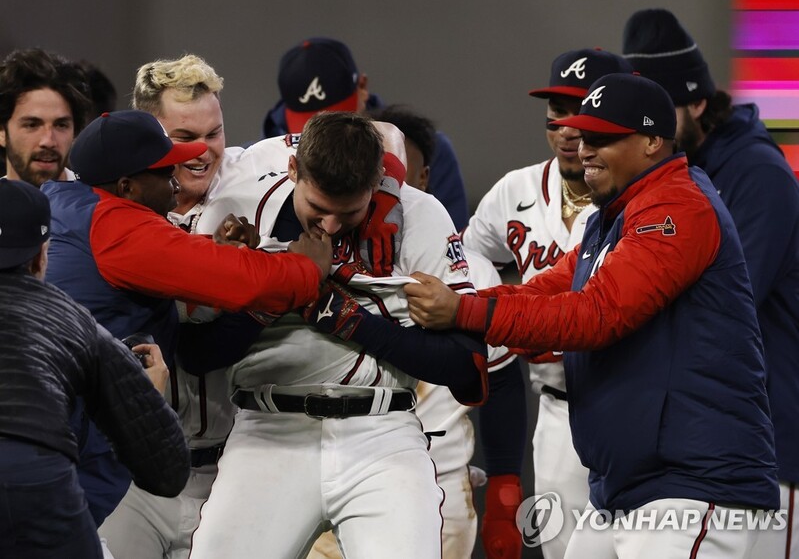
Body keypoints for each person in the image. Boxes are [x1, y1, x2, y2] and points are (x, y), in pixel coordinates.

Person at [405, 73, 780, 559]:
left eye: (603, 138)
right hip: (628, 485)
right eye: (583, 136)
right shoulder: (615, 214)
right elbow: (545, 290)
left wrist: (465, 311)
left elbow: (596, 315)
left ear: (652, 141)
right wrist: (459, 315)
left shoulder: (677, 207)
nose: (584, 149)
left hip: (693, 484)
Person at [187, 111, 488, 559]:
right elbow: (196, 354)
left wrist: (347, 318)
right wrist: (281, 289)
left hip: (382, 432)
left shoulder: (418, 214)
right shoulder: (239, 207)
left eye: (348, 212)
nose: (329, 226)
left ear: (377, 183)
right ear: (293, 170)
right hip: (268, 431)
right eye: (318, 208)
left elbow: (466, 366)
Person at [39, 108, 330, 559]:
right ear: (127, 186)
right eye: (163, 171)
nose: (176, 180)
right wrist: (306, 269)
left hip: (60, 425)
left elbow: (156, 268)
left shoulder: (74, 205)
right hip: (81, 440)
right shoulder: (113, 225)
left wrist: (217, 250)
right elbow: (246, 282)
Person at [299, 104, 526, 559]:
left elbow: (497, 380)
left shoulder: (471, 269)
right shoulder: (309, 248)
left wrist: (506, 487)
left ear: (420, 178)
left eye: (395, 175)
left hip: (438, 471)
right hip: (316, 455)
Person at [622, 10, 799, 557]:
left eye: (660, 115)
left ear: (698, 103)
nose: (647, 132)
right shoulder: (673, 175)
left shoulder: (757, 174)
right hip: (705, 446)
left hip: (772, 449)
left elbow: (718, 304)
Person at [460, 47, 633, 559]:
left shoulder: (642, 200)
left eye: (583, 111)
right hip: (557, 413)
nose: (568, 129)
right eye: (558, 113)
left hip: (631, 402)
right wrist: (506, 323)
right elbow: (467, 257)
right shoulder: (515, 190)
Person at [0, 178, 189, 559]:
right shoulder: (72, 321)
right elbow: (167, 470)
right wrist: (147, 396)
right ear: (41, 257)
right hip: (35, 484)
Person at [262, 36, 470, 230]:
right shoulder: (259, 160)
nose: (327, 132)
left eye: (339, 114)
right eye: (309, 122)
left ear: (362, 87)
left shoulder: (418, 150)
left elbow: (452, 242)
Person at [0, 47, 91, 186]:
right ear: (1, 132)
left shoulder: (96, 198)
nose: (48, 141)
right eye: (32, 125)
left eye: (61, 125)